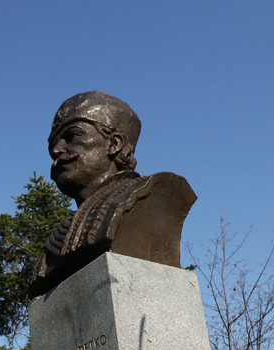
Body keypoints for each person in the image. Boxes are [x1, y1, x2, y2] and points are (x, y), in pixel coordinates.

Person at [30, 91, 195, 296]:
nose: (56, 150)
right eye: (53, 144)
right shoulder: (56, 240)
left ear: (114, 144)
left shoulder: (153, 194)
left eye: (72, 136)